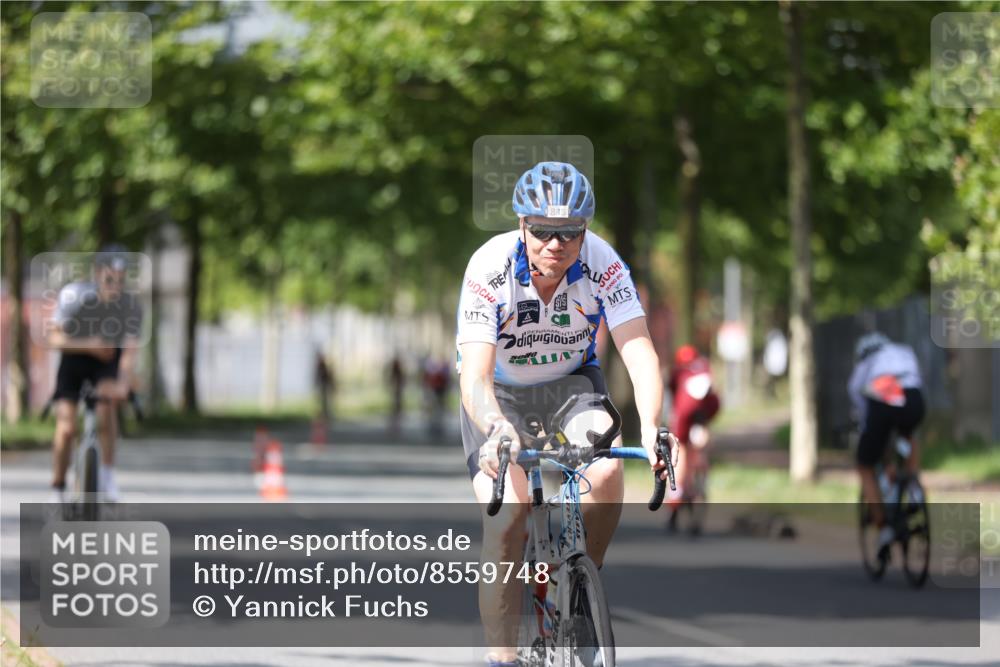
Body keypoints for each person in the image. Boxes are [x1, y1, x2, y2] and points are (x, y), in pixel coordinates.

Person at [456, 161, 675, 667]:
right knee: (509, 518)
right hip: (500, 394)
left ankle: (581, 584)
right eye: (544, 231)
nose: (556, 243)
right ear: (521, 226)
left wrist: (655, 426)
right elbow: (475, 378)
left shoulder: (605, 263)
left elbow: (639, 351)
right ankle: (502, 659)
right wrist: (494, 429)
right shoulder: (488, 268)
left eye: (569, 232)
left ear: (585, 231)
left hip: (573, 386)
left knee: (607, 470)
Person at [46, 245, 143, 503]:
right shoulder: (74, 296)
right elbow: (54, 338)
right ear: (97, 273)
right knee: (66, 427)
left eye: (120, 281)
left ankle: (108, 474)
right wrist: (89, 344)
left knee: (105, 409)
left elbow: (130, 349)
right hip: (75, 359)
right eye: (110, 278)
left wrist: (123, 381)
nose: (115, 285)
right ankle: (57, 486)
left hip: (106, 363)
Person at [848, 332, 926, 554]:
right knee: (908, 436)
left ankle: (883, 527)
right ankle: (913, 489)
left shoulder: (867, 362)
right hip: (914, 398)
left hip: (883, 400)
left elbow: (858, 397)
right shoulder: (904, 351)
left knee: (865, 465)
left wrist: (865, 428)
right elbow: (917, 380)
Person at [666, 345, 720, 517]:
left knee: (680, 452)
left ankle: (676, 492)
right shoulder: (704, 368)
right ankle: (701, 476)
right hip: (705, 412)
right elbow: (714, 399)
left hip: (685, 413)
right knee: (700, 448)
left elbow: (673, 393)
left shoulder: (678, 373)